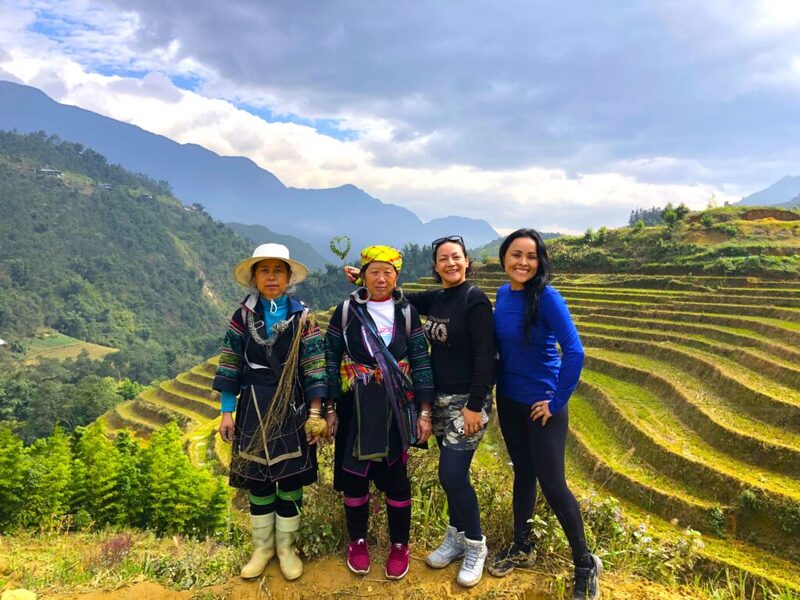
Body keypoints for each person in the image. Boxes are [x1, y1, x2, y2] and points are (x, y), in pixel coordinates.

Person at [347, 236, 495, 586]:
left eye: (456, 258)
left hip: (467, 403)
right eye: (443, 259)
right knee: (454, 477)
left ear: (467, 261)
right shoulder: (439, 297)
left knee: (452, 476)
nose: (450, 264)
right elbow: (397, 295)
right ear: (435, 266)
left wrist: (476, 405)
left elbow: (487, 356)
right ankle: (456, 537)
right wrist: (365, 279)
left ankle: (475, 545)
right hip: (439, 398)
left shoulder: (474, 300)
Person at [488, 229, 602, 600]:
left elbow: (575, 352)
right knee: (523, 472)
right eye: (516, 254)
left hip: (542, 408)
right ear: (504, 258)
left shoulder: (547, 297)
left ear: (540, 262)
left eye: (531, 256)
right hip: (509, 399)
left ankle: (585, 563)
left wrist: (555, 401)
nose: (523, 262)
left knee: (553, 484)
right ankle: (523, 546)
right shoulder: (503, 294)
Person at [213, 243, 328, 582]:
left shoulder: (303, 318)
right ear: (254, 277)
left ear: (289, 277)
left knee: (290, 477)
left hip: (292, 405)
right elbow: (230, 363)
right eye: (265, 270)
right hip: (252, 406)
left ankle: (286, 548)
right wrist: (226, 412)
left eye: (279, 270)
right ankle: (261, 548)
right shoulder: (242, 317)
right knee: (258, 480)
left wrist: (316, 412)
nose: (272, 277)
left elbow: (315, 366)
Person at [325, 245, 434, 581]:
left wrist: (425, 412)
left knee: (396, 481)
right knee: (355, 478)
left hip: (395, 409)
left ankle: (400, 545)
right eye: (374, 271)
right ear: (363, 274)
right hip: (355, 406)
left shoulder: (406, 313)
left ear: (397, 276)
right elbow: (329, 360)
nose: (381, 278)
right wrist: (328, 407)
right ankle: (357, 541)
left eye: (388, 272)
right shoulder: (345, 312)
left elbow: (420, 359)